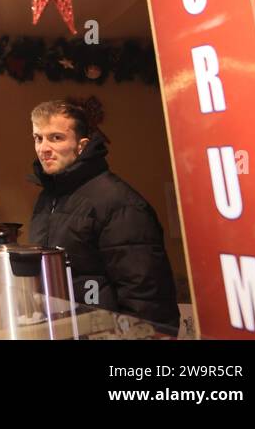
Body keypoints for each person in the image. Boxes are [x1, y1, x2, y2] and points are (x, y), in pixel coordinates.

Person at [29, 97, 179, 329]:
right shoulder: (47, 198)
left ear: (82, 145)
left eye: (56, 138)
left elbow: (146, 297)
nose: (43, 148)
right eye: (38, 138)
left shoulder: (119, 202)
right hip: (65, 331)